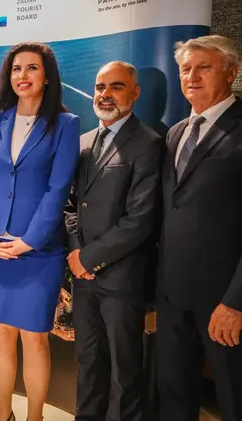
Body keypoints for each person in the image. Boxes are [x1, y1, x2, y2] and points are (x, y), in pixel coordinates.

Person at [0, 42, 80, 421]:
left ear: (47, 77)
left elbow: (58, 189)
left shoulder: (66, 124)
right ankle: (3, 416)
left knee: (34, 339)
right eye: (17, 69)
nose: (23, 75)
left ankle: (35, 417)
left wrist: (29, 241)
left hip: (38, 251)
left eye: (32, 68)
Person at [157, 35, 242, 421]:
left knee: (236, 399)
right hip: (172, 296)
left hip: (226, 300)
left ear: (231, 72)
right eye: (186, 69)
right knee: (174, 396)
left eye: (204, 67)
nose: (192, 76)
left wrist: (237, 301)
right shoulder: (175, 133)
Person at [65, 62, 163, 421]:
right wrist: (75, 252)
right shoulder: (82, 143)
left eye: (116, 87)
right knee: (88, 361)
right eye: (100, 87)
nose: (105, 94)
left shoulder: (149, 144)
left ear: (135, 93)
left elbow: (140, 219)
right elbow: (70, 205)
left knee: (125, 370)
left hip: (122, 279)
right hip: (83, 278)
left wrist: (88, 258)